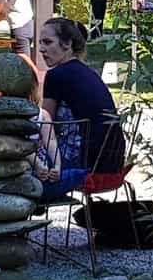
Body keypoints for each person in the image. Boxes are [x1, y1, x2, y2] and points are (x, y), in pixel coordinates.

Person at [33, 17, 126, 196]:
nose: (42, 49)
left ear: (67, 44)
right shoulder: (88, 71)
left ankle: (33, 205)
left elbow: (45, 124)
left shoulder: (56, 75)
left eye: (48, 42)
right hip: (112, 162)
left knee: (16, 166)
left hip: (84, 165)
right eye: (40, 43)